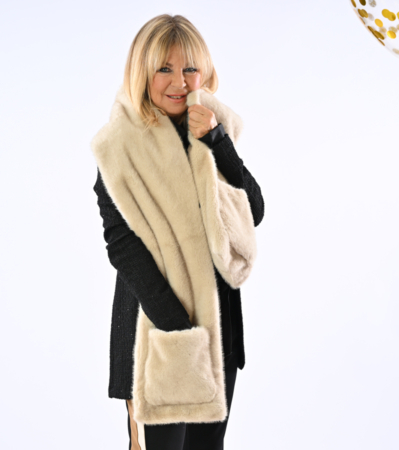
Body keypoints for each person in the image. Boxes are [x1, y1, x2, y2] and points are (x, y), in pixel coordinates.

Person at [92, 14, 264, 449]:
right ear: (142, 72)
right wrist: (181, 333)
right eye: (164, 69)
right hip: (155, 332)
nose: (179, 81)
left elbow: (254, 212)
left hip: (220, 331)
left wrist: (218, 142)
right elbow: (123, 246)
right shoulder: (119, 147)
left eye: (190, 67)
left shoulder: (211, 131)